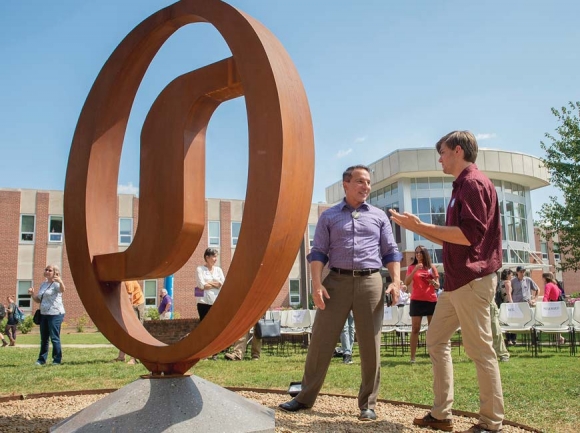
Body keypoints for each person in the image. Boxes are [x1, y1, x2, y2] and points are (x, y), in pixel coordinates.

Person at [390, 131, 504, 433]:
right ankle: (442, 414)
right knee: (435, 340)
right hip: (455, 285)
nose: (439, 158)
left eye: (441, 152)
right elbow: (452, 234)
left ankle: (491, 423)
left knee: (480, 351)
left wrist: (422, 225)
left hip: (472, 280)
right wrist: (414, 227)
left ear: (457, 150)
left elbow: (470, 236)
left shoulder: (473, 183)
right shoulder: (461, 186)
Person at [279, 164, 402, 422]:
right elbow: (318, 253)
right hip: (335, 282)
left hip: (371, 283)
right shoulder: (329, 216)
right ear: (346, 184)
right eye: (360, 181)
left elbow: (391, 251)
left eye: (368, 182)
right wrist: (316, 284)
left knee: (371, 346)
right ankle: (304, 398)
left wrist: (396, 281)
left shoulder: (379, 216)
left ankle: (368, 404)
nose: (366, 187)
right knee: (321, 342)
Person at [405, 245, 439, 363]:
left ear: (425, 254)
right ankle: (412, 358)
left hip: (431, 300)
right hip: (416, 300)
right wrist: (415, 270)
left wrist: (433, 282)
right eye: (416, 253)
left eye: (420, 252)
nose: (418, 254)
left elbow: (438, 286)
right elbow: (407, 282)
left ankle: (433, 355)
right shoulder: (411, 267)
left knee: (432, 329)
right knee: (415, 328)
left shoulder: (431, 268)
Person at [28, 264, 66, 365]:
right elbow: (38, 300)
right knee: (44, 338)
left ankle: (57, 359)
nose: (47, 271)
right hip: (44, 314)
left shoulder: (56, 284)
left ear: (54, 273)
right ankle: (41, 360)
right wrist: (32, 294)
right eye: (46, 270)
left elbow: (63, 290)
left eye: (50, 270)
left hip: (55, 314)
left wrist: (60, 281)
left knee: (54, 337)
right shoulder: (43, 284)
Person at [196, 247, 225, 360]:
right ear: (207, 257)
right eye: (213, 256)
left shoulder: (219, 270)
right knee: (205, 328)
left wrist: (209, 283)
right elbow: (201, 285)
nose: (215, 259)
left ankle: (215, 353)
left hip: (216, 303)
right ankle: (204, 353)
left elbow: (222, 283)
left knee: (215, 328)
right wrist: (215, 284)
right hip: (203, 303)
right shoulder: (200, 269)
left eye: (216, 256)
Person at [114, 281, 145, 364]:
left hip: (137, 305)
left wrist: (128, 311)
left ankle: (133, 358)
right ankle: (121, 357)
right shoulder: (121, 280)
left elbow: (129, 297)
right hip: (133, 304)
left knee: (134, 332)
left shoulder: (128, 281)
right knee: (126, 331)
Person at [542, 272, 565, 345]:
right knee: (556, 322)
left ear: (545, 278)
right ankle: (559, 338)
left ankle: (559, 339)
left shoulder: (548, 285)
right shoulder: (555, 284)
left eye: (543, 278)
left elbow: (546, 296)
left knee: (552, 322)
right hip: (558, 305)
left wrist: (543, 306)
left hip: (552, 306)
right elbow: (560, 292)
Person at [497, 269, 517, 346]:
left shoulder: (500, 282)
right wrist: (512, 304)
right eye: (511, 275)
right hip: (508, 304)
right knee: (512, 321)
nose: (512, 276)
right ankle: (512, 339)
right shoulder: (507, 282)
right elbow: (509, 294)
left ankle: (508, 339)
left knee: (505, 322)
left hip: (502, 304)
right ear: (507, 275)